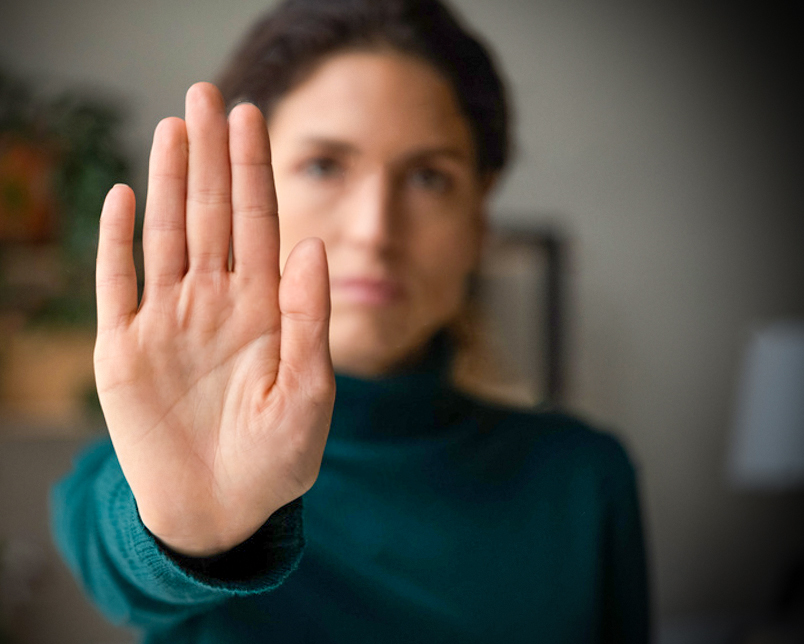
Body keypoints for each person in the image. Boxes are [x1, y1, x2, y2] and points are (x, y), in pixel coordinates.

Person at [50, 0, 651, 641]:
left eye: (428, 177)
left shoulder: (584, 481)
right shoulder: (159, 459)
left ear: (480, 214)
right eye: (324, 166)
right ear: (237, 187)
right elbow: (114, 555)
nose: (375, 231)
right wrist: (190, 533)